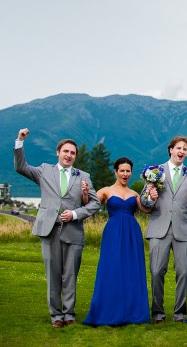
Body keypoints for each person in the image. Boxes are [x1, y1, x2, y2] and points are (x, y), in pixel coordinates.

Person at [13, 128, 101, 327]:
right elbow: (21, 167)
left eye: (72, 153)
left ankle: (69, 314)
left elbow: (95, 203)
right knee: (53, 275)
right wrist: (20, 141)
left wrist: (75, 214)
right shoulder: (44, 170)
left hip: (74, 231)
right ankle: (56, 316)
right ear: (58, 152)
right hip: (49, 229)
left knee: (70, 274)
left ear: (75, 156)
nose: (69, 155)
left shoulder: (83, 176)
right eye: (66, 151)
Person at [140, 135, 187, 323]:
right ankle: (158, 313)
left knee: (183, 272)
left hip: (183, 229)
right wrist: (150, 196)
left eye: (185, 149)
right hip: (159, 227)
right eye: (179, 148)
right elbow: (144, 200)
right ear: (170, 149)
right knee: (157, 271)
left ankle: (180, 314)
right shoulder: (155, 171)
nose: (181, 151)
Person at [83, 157, 152, 326]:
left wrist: (150, 194)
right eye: (122, 170)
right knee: (111, 267)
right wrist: (85, 193)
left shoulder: (135, 194)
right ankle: (109, 310)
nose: (125, 174)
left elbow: (146, 209)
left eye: (128, 171)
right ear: (115, 172)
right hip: (113, 231)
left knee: (131, 269)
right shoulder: (106, 191)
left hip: (132, 232)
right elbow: (90, 205)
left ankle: (131, 311)